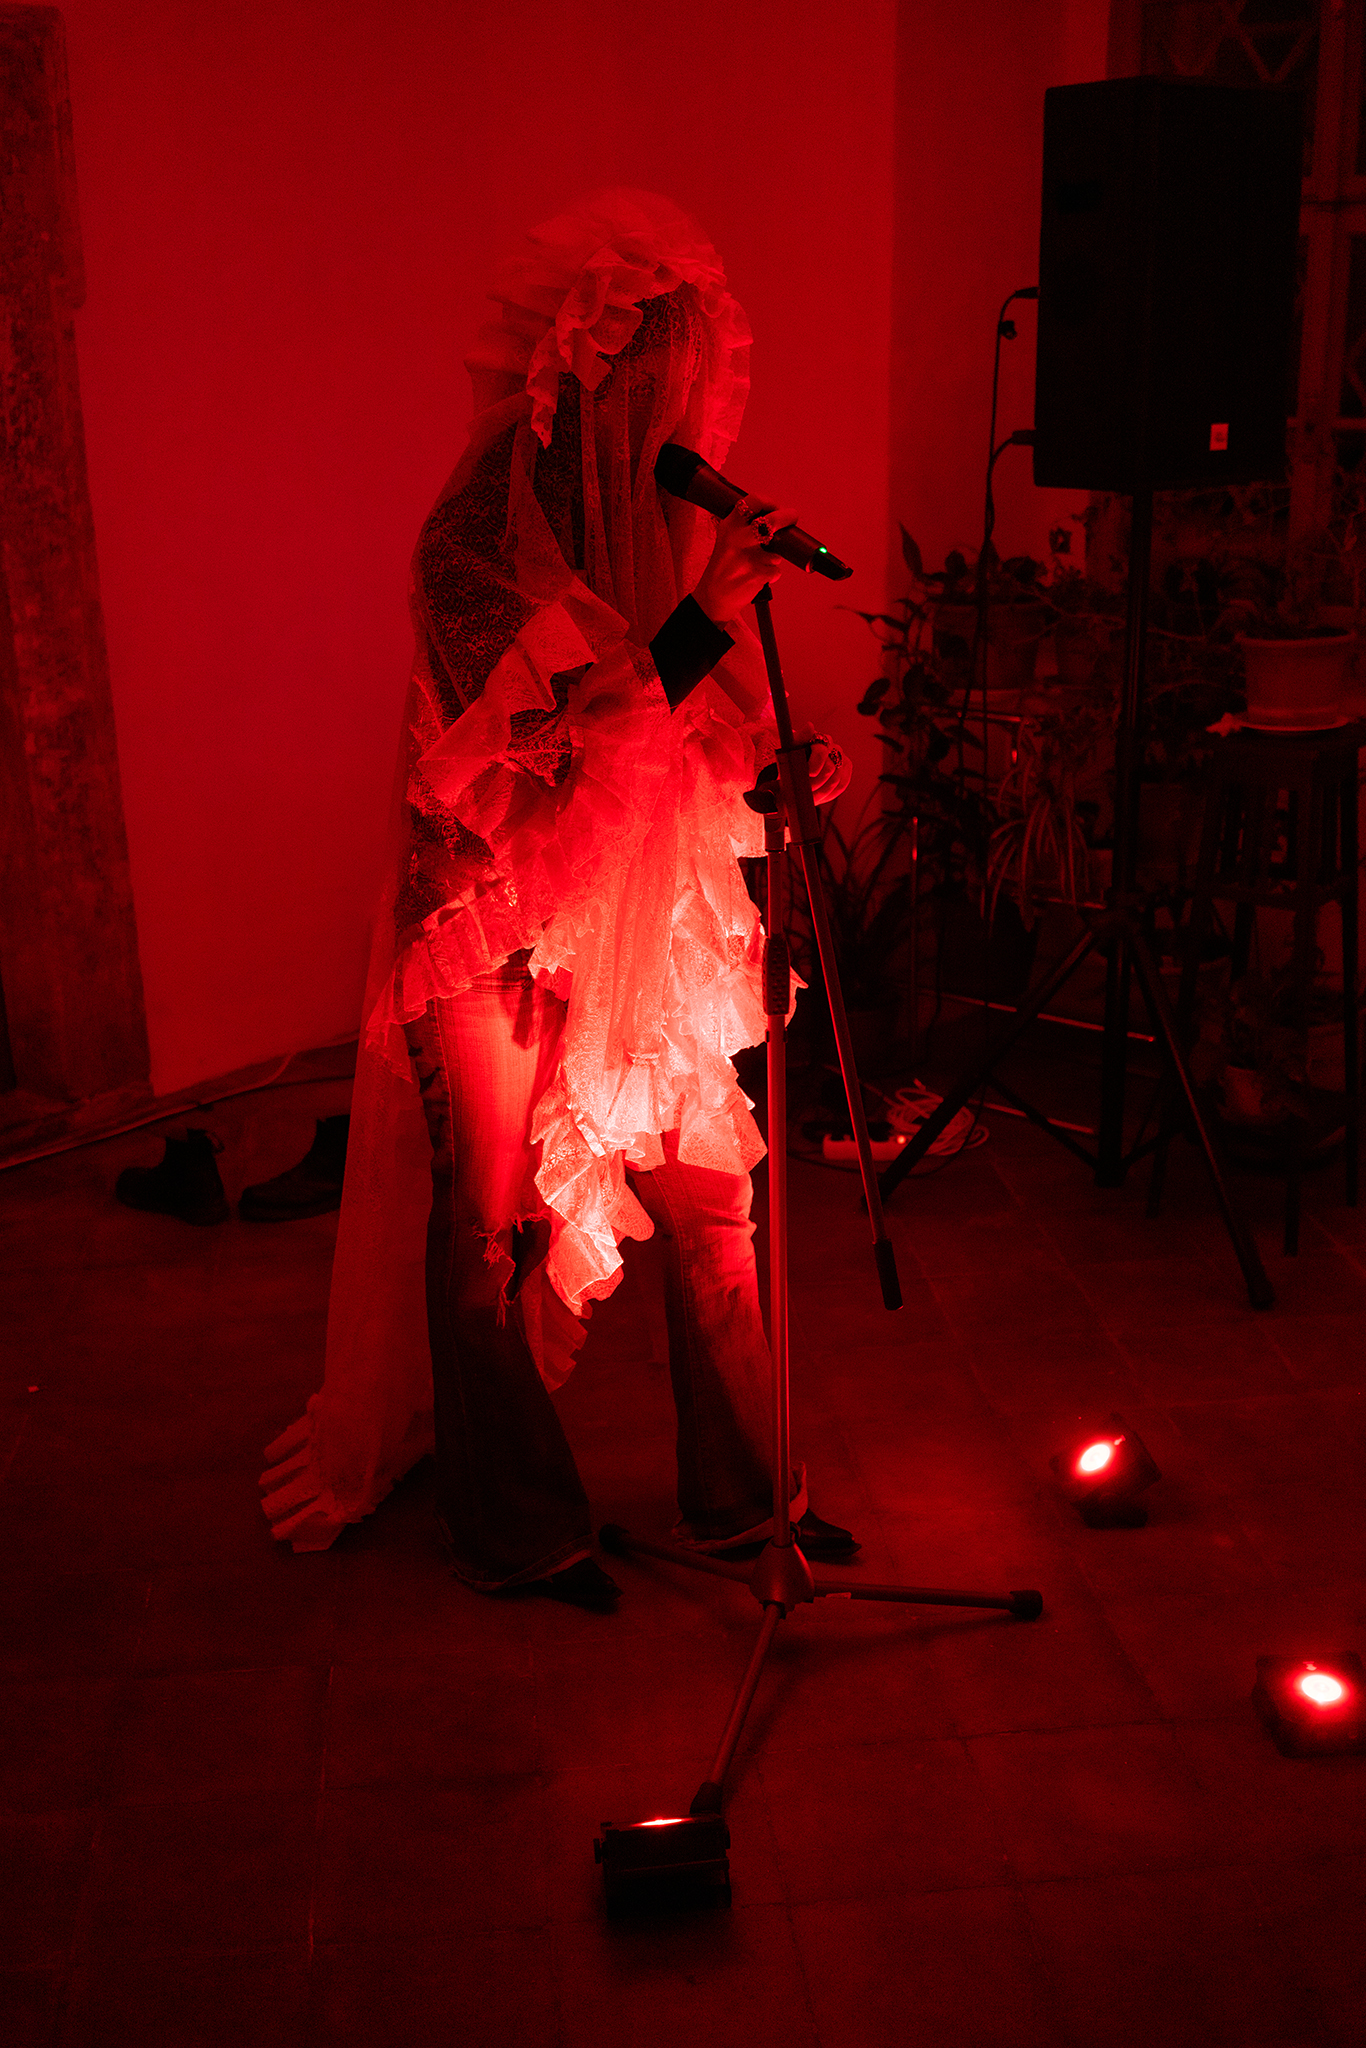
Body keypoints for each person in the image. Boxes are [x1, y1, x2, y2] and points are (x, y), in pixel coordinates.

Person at [260, 190, 852, 1608]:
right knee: (487, 1225)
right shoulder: (469, 543)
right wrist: (707, 614)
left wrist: (780, 755)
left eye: (691, 382)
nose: (678, 413)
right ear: (578, 378)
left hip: (641, 908)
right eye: (652, 377)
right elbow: (552, 744)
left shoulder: (655, 529)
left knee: (714, 1202)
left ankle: (743, 1499)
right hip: (490, 910)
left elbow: (687, 715)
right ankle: (516, 1523)